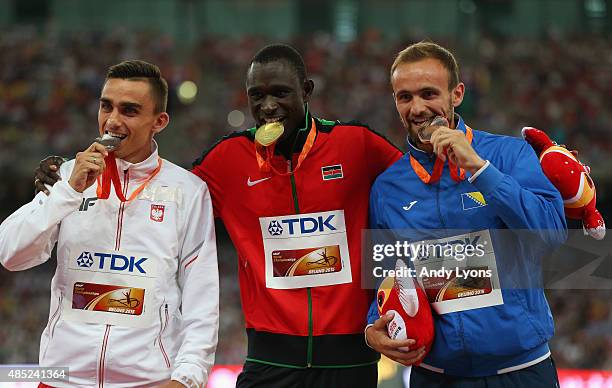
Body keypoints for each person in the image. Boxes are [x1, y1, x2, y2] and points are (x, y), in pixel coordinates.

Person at [34, 45, 403, 387]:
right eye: (257, 96)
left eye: (281, 93)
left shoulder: (356, 144)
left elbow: (414, 193)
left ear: (306, 90)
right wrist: (64, 174)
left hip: (350, 360)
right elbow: (153, 192)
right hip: (269, 359)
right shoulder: (227, 160)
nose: (269, 106)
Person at [1, 60, 219, 388]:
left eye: (129, 110)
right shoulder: (67, 177)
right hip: (62, 380)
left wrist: (187, 377)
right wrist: (67, 191)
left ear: (159, 121)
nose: (112, 121)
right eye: (106, 106)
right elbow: (11, 254)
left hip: (148, 381)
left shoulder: (187, 191)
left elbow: (202, 294)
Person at [365, 41, 567, 387]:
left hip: (521, 372)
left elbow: (552, 235)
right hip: (437, 377)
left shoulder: (509, 155)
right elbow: (387, 276)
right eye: (404, 97)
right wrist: (373, 327)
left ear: (456, 94)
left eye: (429, 94)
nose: (417, 108)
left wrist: (480, 168)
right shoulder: (388, 188)